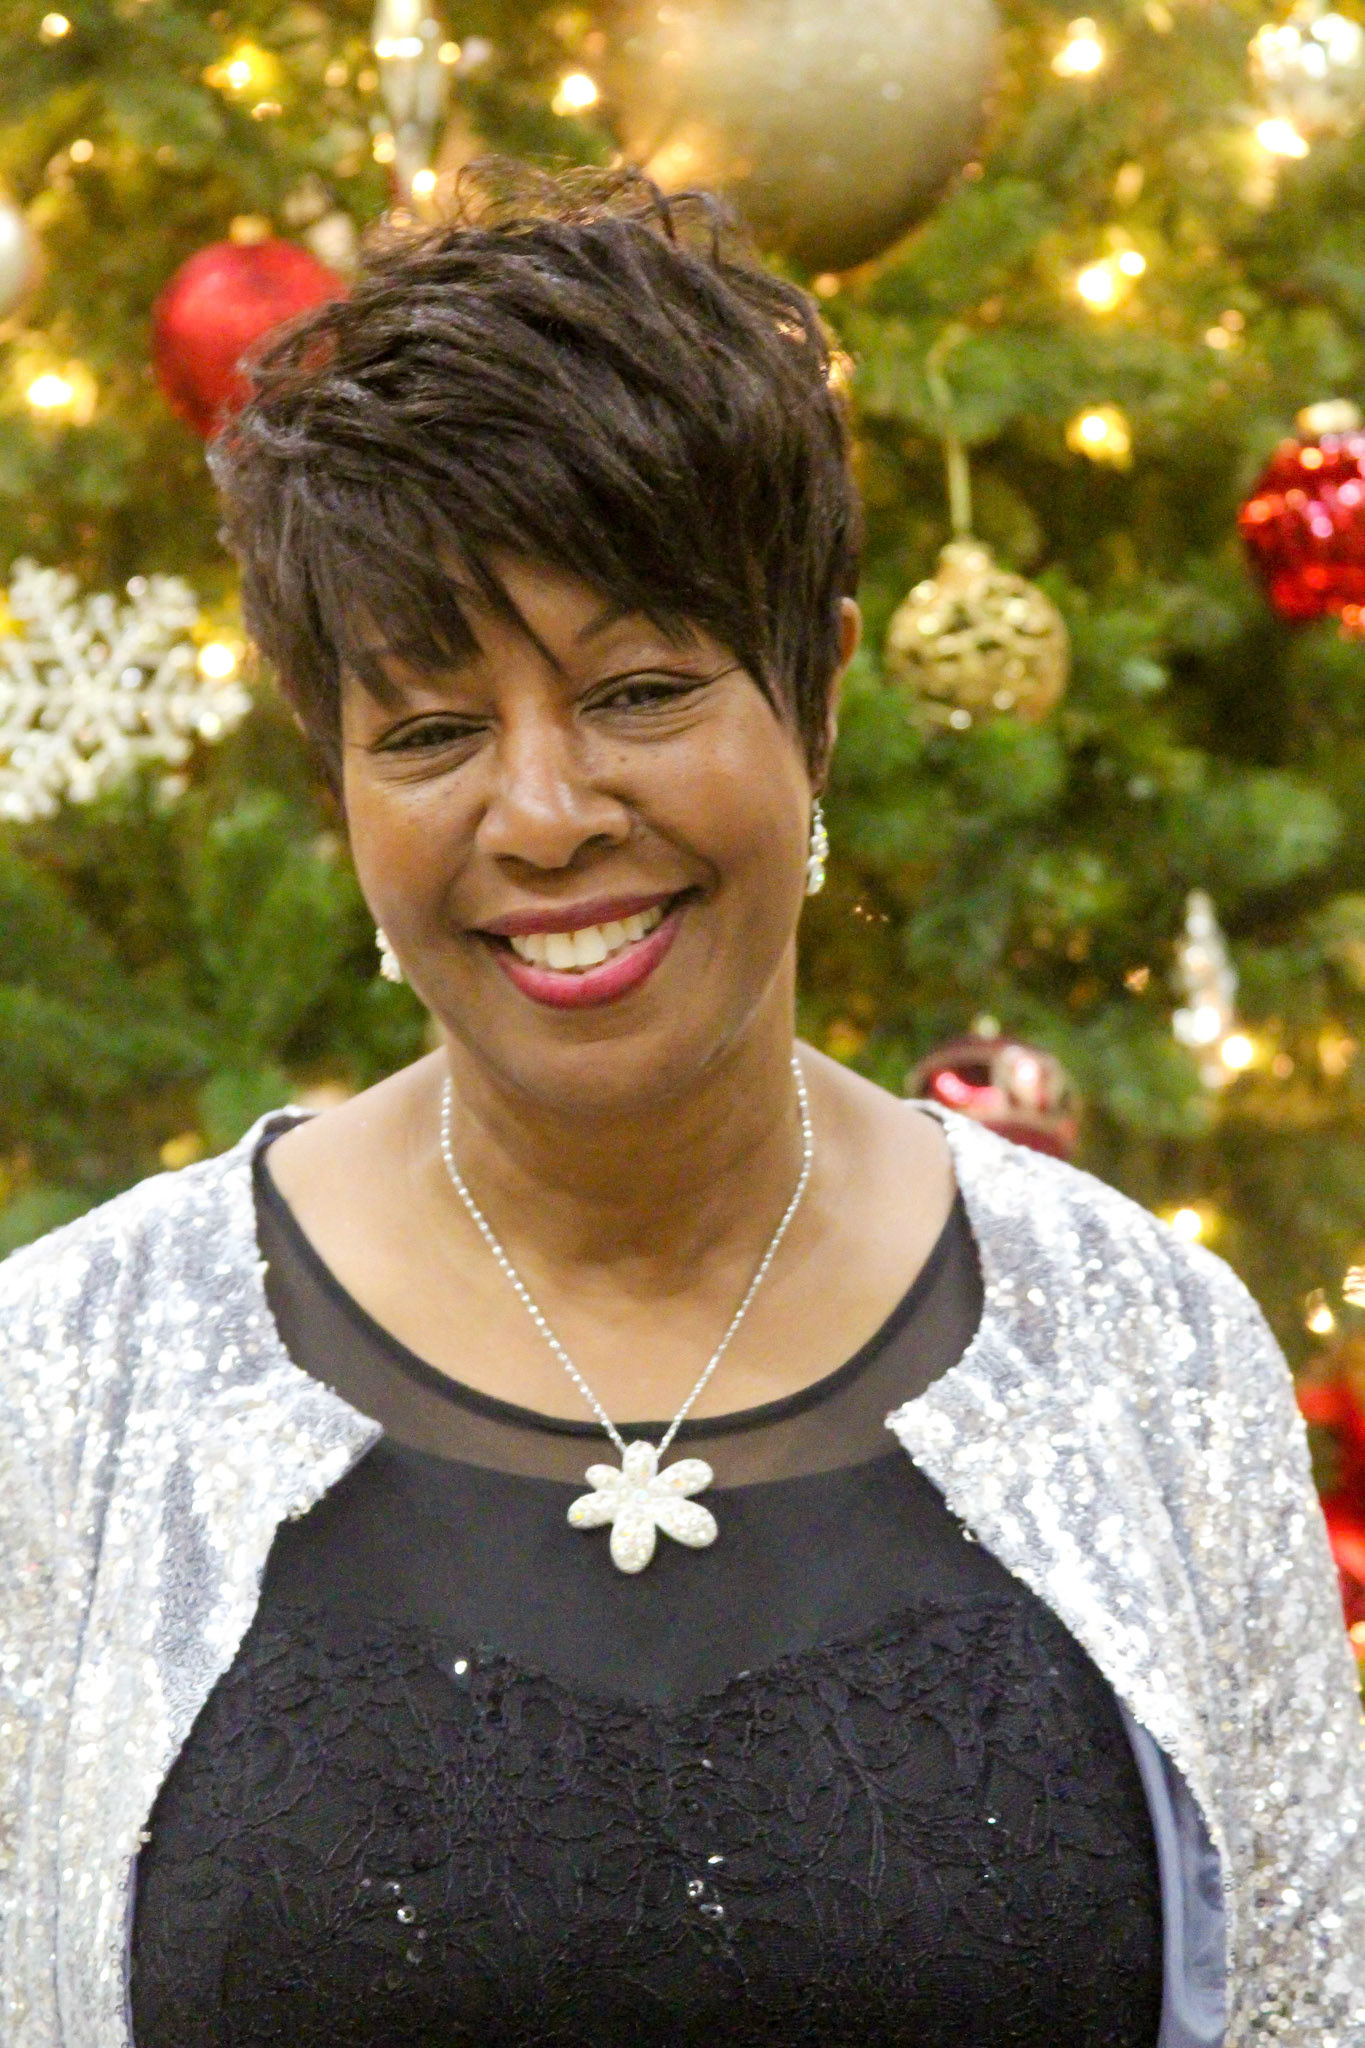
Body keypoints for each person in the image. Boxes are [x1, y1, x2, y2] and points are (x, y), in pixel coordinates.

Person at [2, 165, 1362, 2048]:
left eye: (639, 691)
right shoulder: (69, 1380)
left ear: (817, 697)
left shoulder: (1145, 1357)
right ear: (339, 779)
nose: (543, 815)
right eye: (430, 730)